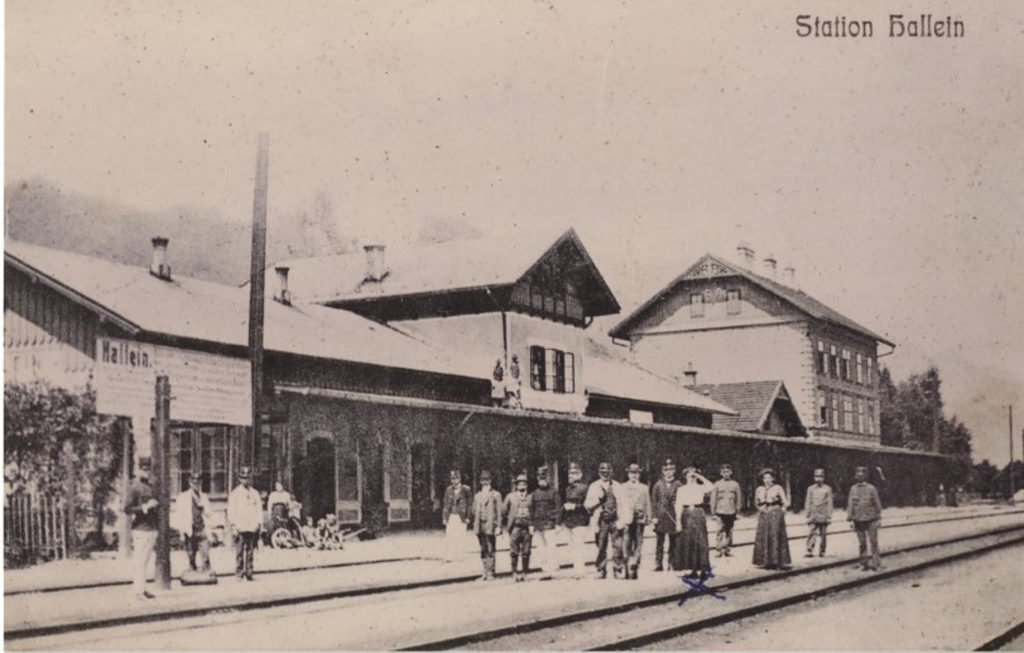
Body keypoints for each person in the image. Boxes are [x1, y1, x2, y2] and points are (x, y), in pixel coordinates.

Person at [125, 457, 159, 600]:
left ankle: (143, 588)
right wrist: (144, 507)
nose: (147, 472)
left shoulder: (150, 486)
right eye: (144, 469)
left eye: (148, 469)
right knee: (139, 561)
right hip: (140, 528)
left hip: (151, 528)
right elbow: (127, 508)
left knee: (145, 561)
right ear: (139, 470)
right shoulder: (134, 487)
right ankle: (137, 591)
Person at [584, 462, 624, 579]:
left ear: (611, 472)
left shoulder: (617, 486)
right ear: (599, 473)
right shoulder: (594, 486)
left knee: (618, 545)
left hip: (615, 519)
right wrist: (597, 500)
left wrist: (622, 520)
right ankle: (601, 569)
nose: (605, 475)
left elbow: (623, 503)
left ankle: (617, 569)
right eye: (603, 472)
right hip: (601, 520)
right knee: (601, 545)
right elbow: (587, 505)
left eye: (607, 472)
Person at [674, 467, 714, 579]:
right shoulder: (681, 489)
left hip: (698, 513)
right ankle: (693, 569)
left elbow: (711, 487)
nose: (691, 478)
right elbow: (678, 505)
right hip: (686, 514)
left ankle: (704, 569)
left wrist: (699, 476)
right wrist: (678, 522)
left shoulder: (700, 488)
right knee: (689, 541)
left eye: (693, 476)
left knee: (701, 540)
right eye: (689, 475)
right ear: (685, 476)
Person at [171, 471, 213, 572]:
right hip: (189, 530)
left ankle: (206, 575)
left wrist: (203, 507)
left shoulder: (203, 497)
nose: (196, 484)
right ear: (190, 483)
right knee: (191, 556)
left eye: (198, 482)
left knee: (205, 555)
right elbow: (179, 516)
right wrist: (181, 533)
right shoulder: (183, 497)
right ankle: (193, 573)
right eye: (193, 482)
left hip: (202, 529)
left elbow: (209, 514)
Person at [228, 466, 263, 581]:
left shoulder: (255, 493)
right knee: (239, 551)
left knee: (250, 551)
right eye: (243, 478)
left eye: (247, 478)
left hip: (252, 526)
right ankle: (239, 572)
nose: (245, 480)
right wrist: (233, 525)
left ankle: (249, 572)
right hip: (240, 526)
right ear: (239, 479)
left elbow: (259, 509)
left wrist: (259, 523)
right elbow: (231, 510)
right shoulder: (235, 493)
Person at [752, 468, 792, 570]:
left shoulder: (778, 488)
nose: (767, 480)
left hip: (775, 513)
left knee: (775, 535)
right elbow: (756, 502)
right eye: (765, 478)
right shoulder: (759, 489)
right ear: (762, 479)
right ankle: (764, 561)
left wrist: (782, 510)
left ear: (773, 478)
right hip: (764, 514)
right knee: (763, 536)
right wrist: (760, 508)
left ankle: (777, 561)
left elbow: (786, 502)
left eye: (769, 478)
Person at [618, 463, 653, 580]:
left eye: (636, 473)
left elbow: (648, 503)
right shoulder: (622, 487)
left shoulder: (644, 487)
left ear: (639, 475)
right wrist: (621, 518)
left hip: (640, 519)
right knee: (626, 542)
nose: (634, 476)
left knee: (638, 542)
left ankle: (635, 564)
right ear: (628, 474)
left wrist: (648, 516)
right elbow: (620, 505)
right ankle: (628, 564)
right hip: (627, 519)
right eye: (631, 473)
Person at [847, 466, 883, 571]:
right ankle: (863, 563)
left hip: (871, 519)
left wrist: (879, 519)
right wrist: (850, 520)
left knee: (874, 542)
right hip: (858, 520)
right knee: (862, 543)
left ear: (865, 476)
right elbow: (850, 505)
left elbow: (877, 504)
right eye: (857, 474)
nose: (859, 476)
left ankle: (876, 564)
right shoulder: (853, 489)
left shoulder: (871, 489)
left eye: (862, 474)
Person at [560, 462, 591, 578]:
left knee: (579, 546)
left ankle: (580, 570)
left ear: (580, 475)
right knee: (572, 546)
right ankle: (576, 569)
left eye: (574, 473)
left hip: (580, 521)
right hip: (569, 522)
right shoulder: (567, 489)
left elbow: (589, 506)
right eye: (570, 473)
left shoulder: (585, 488)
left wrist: (575, 507)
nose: (571, 476)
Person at [529, 465, 560, 579]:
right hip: (538, 524)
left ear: (548, 479)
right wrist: (531, 524)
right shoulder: (534, 494)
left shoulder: (553, 492)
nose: (542, 481)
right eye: (540, 478)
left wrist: (557, 523)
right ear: (538, 480)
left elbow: (558, 508)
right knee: (540, 547)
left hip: (549, 523)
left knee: (551, 546)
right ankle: (544, 567)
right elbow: (531, 509)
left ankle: (552, 568)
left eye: (545, 478)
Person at [651, 459, 682, 571]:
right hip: (661, 517)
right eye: (666, 470)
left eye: (671, 469)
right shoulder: (658, 485)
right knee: (659, 542)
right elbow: (654, 502)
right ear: (663, 471)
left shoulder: (678, 484)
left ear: (674, 471)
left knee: (673, 542)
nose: (668, 472)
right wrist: (654, 517)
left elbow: (681, 501)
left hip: (673, 516)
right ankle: (658, 563)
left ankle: (671, 563)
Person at [471, 470, 502, 580]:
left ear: (490, 481)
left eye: (487, 480)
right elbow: (474, 510)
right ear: (480, 481)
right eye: (483, 480)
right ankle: (484, 571)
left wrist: (498, 526)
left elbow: (499, 512)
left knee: (491, 548)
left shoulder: (496, 495)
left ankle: (491, 572)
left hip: (491, 525)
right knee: (483, 549)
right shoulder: (477, 496)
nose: (485, 482)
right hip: (480, 526)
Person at [502, 474, 533, 581]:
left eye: (524, 484)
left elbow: (534, 510)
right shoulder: (510, 496)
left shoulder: (531, 496)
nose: (522, 486)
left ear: (527, 485)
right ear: (516, 486)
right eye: (519, 484)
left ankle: (525, 573)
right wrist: (506, 523)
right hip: (515, 527)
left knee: (526, 551)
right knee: (514, 551)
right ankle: (514, 572)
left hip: (527, 527)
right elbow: (503, 511)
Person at [710, 464, 741, 558]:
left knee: (729, 531)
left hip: (731, 511)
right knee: (719, 531)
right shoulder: (717, 484)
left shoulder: (735, 484)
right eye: (724, 472)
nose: (726, 474)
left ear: (731, 473)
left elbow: (738, 498)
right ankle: (718, 550)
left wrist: (737, 511)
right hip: (720, 511)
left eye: (727, 472)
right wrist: (713, 512)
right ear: (721, 473)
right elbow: (713, 499)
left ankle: (727, 549)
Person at [442, 469, 472, 563]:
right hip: (451, 515)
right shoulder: (448, 489)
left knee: (461, 536)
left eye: (455, 478)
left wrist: (468, 517)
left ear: (460, 479)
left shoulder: (466, 489)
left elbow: (470, 504)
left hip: (461, 516)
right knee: (449, 536)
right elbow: (446, 504)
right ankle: (449, 556)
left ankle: (460, 556)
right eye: (452, 479)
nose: (454, 481)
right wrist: (444, 517)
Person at [804, 468, 834, 557]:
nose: (818, 479)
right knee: (811, 532)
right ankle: (809, 550)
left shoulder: (827, 489)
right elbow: (808, 501)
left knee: (823, 534)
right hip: (813, 514)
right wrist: (807, 514)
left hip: (823, 514)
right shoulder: (810, 489)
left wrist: (829, 516)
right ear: (814, 477)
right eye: (816, 476)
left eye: (820, 476)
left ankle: (822, 551)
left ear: (824, 478)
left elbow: (830, 502)